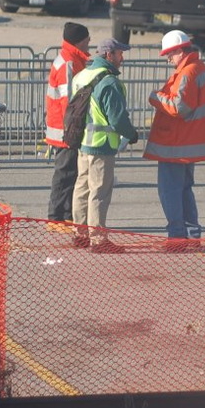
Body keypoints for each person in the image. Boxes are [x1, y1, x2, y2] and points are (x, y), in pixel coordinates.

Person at [143, 30, 205, 250]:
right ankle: (192, 236)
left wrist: (156, 97)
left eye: (170, 54)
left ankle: (177, 238)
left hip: (176, 145)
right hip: (189, 143)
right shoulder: (200, 69)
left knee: (170, 192)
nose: (168, 59)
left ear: (179, 50)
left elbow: (179, 107)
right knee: (184, 190)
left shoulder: (188, 73)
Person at [71, 38, 139, 253]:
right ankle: (98, 240)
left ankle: (80, 234)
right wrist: (132, 134)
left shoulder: (81, 76)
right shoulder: (109, 82)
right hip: (101, 146)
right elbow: (117, 119)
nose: (122, 58)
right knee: (99, 192)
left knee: (82, 188)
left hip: (83, 142)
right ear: (109, 55)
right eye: (120, 54)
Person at [44, 22, 91, 227]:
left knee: (69, 173)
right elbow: (70, 100)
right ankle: (56, 217)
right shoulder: (69, 63)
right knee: (65, 174)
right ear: (80, 41)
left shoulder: (70, 59)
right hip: (65, 129)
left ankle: (64, 215)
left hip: (65, 127)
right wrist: (73, 128)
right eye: (87, 41)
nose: (89, 44)